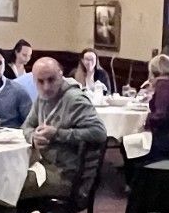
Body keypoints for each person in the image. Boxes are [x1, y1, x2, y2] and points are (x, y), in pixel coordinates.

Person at [19, 57, 106, 200]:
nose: (46, 86)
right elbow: (26, 126)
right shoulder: (42, 97)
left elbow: (99, 132)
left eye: (51, 80)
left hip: (68, 175)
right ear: (34, 81)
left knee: (12, 186)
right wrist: (33, 137)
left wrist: (58, 134)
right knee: (5, 178)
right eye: (40, 81)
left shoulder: (75, 99)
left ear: (61, 75)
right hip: (44, 165)